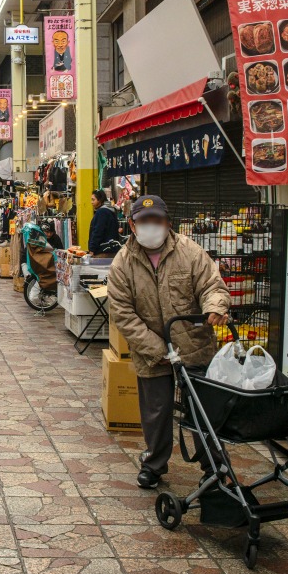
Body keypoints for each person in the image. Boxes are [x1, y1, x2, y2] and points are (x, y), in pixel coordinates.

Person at [106, 195, 230, 490]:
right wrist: (156, 349)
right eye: (144, 221)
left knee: (201, 408)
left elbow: (211, 284)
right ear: (133, 226)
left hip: (194, 344)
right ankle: (154, 464)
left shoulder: (190, 252)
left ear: (168, 223)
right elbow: (122, 313)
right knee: (155, 410)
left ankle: (213, 465)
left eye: (157, 220)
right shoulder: (123, 262)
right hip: (151, 351)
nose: (151, 227)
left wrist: (215, 306)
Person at [88, 190, 119, 256]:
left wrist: (92, 248)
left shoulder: (101, 212)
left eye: (93, 200)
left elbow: (98, 231)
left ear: (100, 200)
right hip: (111, 250)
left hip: (103, 251)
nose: (91, 202)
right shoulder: (111, 211)